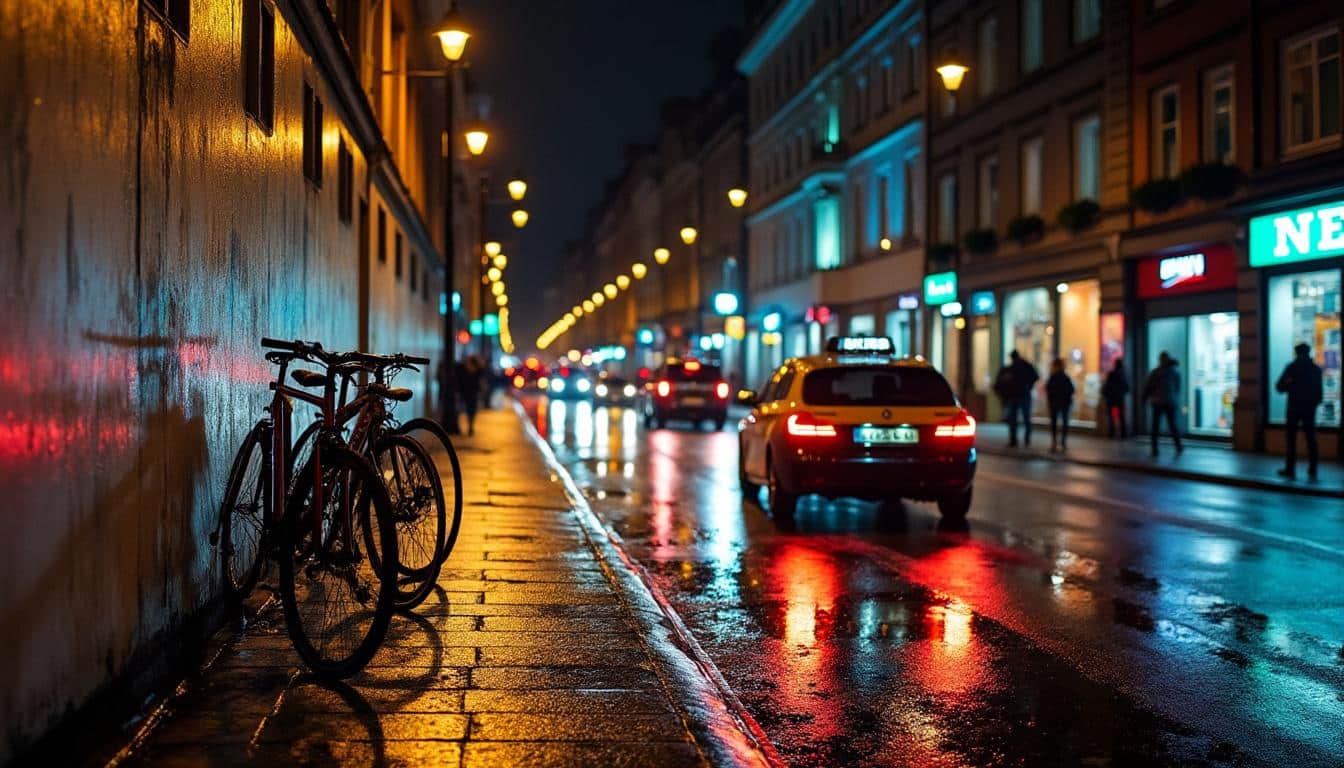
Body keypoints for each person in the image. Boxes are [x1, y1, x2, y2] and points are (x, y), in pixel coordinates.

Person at [1275, 343, 1323, 480]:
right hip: (1309, 409)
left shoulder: (1292, 368)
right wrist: (1313, 403)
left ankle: (1290, 469)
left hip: (1294, 408)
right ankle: (1313, 469)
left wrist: (1290, 384)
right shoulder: (1315, 369)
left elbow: (1279, 387)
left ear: (1297, 353)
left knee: (1291, 439)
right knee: (1311, 438)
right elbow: (1320, 394)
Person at [993, 350, 1040, 447]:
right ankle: (1025, 440)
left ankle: (1014, 440)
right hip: (1022, 395)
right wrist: (1029, 386)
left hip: (1016, 396)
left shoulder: (1011, 369)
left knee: (1014, 419)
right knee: (1024, 418)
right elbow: (1035, 376)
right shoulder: (1024, 367)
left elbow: (1000, 382)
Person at [1143, 352, 1183, 457]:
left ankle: (1154, 448)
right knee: (1173, 425)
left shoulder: (1156, 372)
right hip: (1170, 402)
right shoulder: (1174, 372)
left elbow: (1148, 387)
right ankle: (1178, 446)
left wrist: (1144, 398)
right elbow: (1177, 387)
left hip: (1158, 402)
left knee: (1155, 426)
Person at [1046, 359, 1075, 452]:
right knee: (1064, 423)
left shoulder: (1053, 377)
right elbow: (1071, 390)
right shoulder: (1065, 377)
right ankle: (1063, 442)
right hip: (1064, 403)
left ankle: (1055, 442)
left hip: (1055, 403)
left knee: (1054, 423)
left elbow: (1049, 389)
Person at [1101, 359, 1130, 439]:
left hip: (1112, 400)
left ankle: (1112, 433)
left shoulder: (1112, 374)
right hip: (1119, 400)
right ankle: (1123, 434)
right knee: (1121, 417)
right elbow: (1127, 388)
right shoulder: (1123, 375)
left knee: (1113, 417)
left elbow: (1107, 386)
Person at [457, 356, 483, 436]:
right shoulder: (462, 369)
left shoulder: (478, 371)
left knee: (471, 410)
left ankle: (470, 426)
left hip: (472, 393)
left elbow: (480, 381)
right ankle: (466, 426)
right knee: (463, 410)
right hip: (465, 393)